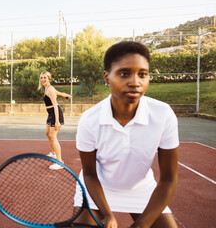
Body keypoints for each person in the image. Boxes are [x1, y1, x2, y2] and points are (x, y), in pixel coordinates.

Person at [74, 41, 179, 228]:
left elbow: (169, 179)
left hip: (141, 189)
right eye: (124, 73)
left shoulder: (163, 114)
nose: (135, 82)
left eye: (142, 74)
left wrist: (143, 224)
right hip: (98, 188)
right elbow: (89, 174)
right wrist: (107, 215)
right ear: (107, 77)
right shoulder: (90, 119)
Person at [39, 71, 72, 170]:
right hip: (50, 114)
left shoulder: (50, 90)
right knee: (48, 133)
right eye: (41, 78)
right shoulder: (47, 88)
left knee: (53, 136)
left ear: (49, 78)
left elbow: (55, 105)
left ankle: (59, 161)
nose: (43, 79)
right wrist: (66, 95)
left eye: (45, 77)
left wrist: (57, 121)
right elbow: (59, 93)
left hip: (55, 113)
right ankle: (53, 153)